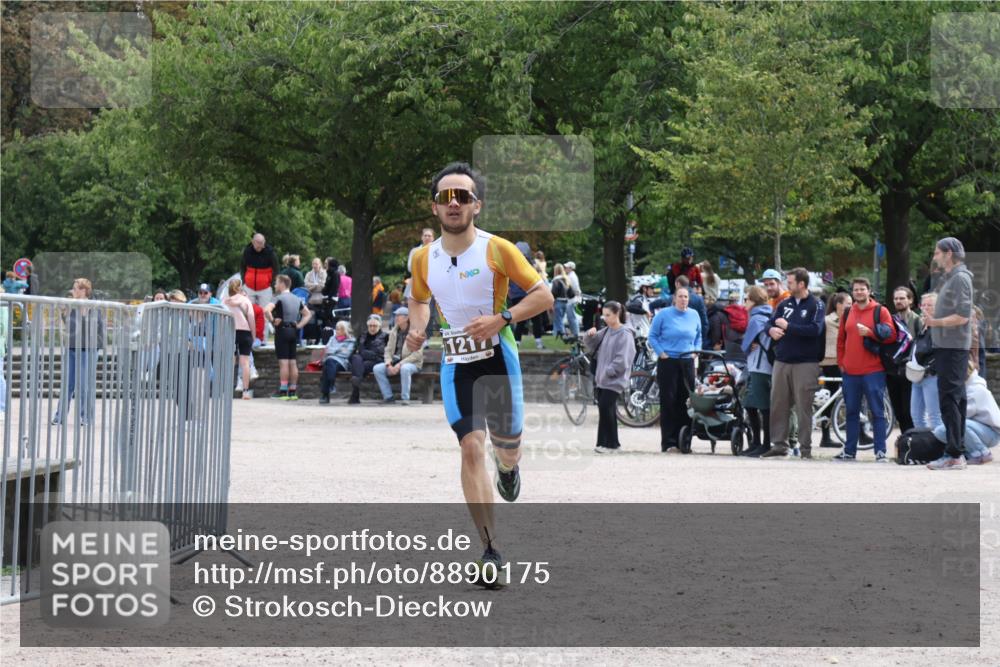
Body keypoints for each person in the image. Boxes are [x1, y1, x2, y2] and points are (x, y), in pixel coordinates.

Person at [405, 161, 553, 583]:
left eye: (463, 197)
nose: (454, 204)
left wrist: (501, 318)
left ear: (477, 205)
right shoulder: (422, 258)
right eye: (445, 197)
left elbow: (544, 296)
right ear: (434, 208)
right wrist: (418, 329)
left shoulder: (497, 249)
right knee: (471, 446)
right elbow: (418, 300)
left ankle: (508, 467)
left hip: (498, 360)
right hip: (457, 363)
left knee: (506, 448)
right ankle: (489, 550)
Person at [764, 268, 825, 459]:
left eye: (790, 282)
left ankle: (805, 448)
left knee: (803, 406)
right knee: (778, 404)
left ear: (801, 284)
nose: (787, 285)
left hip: (806, 362)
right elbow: (770, 323)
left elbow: (815, 330)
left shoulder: (817, 305)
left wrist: (788, 327)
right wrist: (770, 331)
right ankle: (779, 445)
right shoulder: (784, 304)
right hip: (782, 361)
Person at [925, 237, 975, 470]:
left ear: (949, 253)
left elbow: (963, 316)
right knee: (955, 400)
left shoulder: (960, 279)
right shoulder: (954, 278)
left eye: (937, 253)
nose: (934, 257)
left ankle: (954, 454)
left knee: (949, 400)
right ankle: (958, 452)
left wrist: (935, 321)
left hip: (953, 348)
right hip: (950, 347)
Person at [833, 278, 895, 462]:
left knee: (877, 411)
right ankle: (849, 451)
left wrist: (870, 332)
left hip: (873, 370)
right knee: (851, 411)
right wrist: (841, 362)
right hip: (850, 371)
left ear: (869, 291)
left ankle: (880, 451)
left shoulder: (880, 310)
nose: (859, 292)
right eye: (856, 290)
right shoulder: (847, 312)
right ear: (852, 292)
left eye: (862, 289)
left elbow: (891, 335)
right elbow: (841, 340)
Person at [648, 285, 702, 453]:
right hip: (669, 360)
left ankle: (684, 441)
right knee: (669, 400)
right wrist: (661, 353)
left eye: (686, 297)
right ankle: (669, 442)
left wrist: (696, 351)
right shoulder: (664, 314)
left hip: (687, 360)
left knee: (685, 401)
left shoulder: (694, 315)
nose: (683, 299)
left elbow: (699, 335)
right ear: (674, 298)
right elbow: (652, 336)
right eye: (680, 296)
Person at [584, 301, 636, 454]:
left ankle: (610, 444)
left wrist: (609, 371)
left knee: (606, 407)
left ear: (617, 314)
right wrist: (589, 334)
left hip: (614, 380)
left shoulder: (625, 334)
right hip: (603, 379)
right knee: (607, 410)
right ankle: (606, 443)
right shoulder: (607, 331)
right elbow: (590, 344)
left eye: (608, 315)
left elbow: (624, 358)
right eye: (603, 315)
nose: (604, 318)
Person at [52, 278, 105, 426]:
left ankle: (86, 417)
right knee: (67, 384)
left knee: (84, 385)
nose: (72, 291)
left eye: (75, 288)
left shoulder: (93, 306)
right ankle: (59, 416)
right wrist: (63, 312)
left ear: (83, 291)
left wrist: (83, 315)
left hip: (88, 349)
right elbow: (69, 326)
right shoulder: (72, 305)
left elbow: (95, 329)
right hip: (72, 347)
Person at [931, 362, 998, 464]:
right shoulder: (966, 386)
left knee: (957, 425)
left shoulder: (976, 389)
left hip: (992, 432)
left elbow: (960, 415)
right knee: (941, 431)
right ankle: (969, 452)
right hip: (979, 428)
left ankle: (982, 452)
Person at [264, 274, 311, 400]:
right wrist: (299, 325)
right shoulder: (297, 299)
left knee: (283, 362)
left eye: (276, 283)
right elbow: (307, 314)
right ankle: (293, 391)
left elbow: (266, 310)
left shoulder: (278, 298)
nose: (275, 285)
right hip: (293, 332)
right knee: (292, 362)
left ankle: (283, 392)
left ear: (282, 284)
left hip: (282, 331)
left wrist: (273, 320)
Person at [740, 286, 774, 457]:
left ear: (754, 301)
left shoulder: (756, 318)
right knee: (752, 404)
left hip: (759, 367)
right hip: (764, 367)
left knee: (761, 406)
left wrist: (746, 346)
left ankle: (764, 444)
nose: (744, 302)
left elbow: (745, 345)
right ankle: (757, 443)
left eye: (746, 299)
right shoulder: (768, 314)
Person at [818, 291, 852, 447]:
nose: (851, 306)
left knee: (850, 397)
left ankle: (860, 431)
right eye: (848, 304)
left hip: (846, 361)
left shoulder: (851, 320)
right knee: (830, 399)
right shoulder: (827, 321)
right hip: (830, 362)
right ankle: (825, 436)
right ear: (839, 305)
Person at [373, 307, 424, 404]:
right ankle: (388, 397)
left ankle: (405, 398)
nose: (396, 317)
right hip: (396, 362)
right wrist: (388, 364)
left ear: (407, 318)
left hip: (412, 364)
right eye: (395, 315)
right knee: (377, 368)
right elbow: (388, 350)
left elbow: (417, 355)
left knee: (405, 368)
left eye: (398, 315)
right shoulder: (394, 332)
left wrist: (399, 365)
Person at [887, 286, 920, 433]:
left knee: (909, 412)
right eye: (896, 298)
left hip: (911, 372)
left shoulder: (918, 321)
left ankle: (913, 445)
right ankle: (904, 446)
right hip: (893, 372)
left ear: (910, 300)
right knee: (899, 412)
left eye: (902, 298)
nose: (898, 301)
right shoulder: (889, 320)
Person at [909, 291, 942, 429]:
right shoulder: (922, 325)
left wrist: (930, 369)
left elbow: (941, 352)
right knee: (916, 416)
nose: (926, 308)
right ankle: (923, 447)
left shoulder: (941, 327)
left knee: (934, 416)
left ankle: (940, 448)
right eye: (924, 305)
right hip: (916, 375)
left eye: (930, 305)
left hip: (931, 376)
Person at [223, 278, 256, 400]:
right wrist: (253, 335)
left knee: (229, 362)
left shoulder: (225, 302)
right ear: (240, 287)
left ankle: (227, 391)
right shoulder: (245, 301)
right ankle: (245, 392)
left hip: (230, 332)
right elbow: (251, 318)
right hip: (244, 332)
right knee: (245, 363)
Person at [510, 242, 545, 349]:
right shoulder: (530, 264)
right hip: (529, 293)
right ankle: (538, 342)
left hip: (518, 295)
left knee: (521, 320)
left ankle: (517, 342)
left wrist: (511, 294)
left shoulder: (511, 264)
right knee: (535, 319)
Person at [349, 314, 388, 404]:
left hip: (377, 361)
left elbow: (382, 354)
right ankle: (357, 380)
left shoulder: (386, 337)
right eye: (370, 326)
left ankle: (355, 394)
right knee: (356, 358)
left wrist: (363, 353)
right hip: (361, 362)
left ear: (380, 325)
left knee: (359, 365)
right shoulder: (362, 336)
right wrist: (362, 354)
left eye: (375, 326)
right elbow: (355, 351)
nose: (372, 328)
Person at [318, 321, 355, 404]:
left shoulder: (351, 341)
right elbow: (327, 350)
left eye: (339, 329)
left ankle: (325, 395)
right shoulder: (332, 338)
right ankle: (331, 385)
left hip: (342, 363)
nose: (337, 331)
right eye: (336, 329)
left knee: (328, 364)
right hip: (330, 361)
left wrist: (333, 350)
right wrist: (339, 350)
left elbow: (346, 354)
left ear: (344, 330)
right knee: (328, 364)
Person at [240, 233, 280, 307]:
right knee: (248, 311)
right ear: (253, 242)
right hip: (249, 287)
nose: (260, 246)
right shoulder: (247, 251)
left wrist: (272, 284)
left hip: (265, 288)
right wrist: (244, 281)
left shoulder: (270, 253)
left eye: (262, 243)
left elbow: (276, 269)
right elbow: (242, 267)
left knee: (265, 312)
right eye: (258, 244)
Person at [550, 263, 579, 338]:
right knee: (561, 318)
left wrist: (551, 302)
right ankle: (557, 334)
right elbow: (571, 293)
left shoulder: (556, 280)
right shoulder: (566, 279)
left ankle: (562, 334)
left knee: (558, 319)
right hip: (566, 302)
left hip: (558, 301)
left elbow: (554, 293)